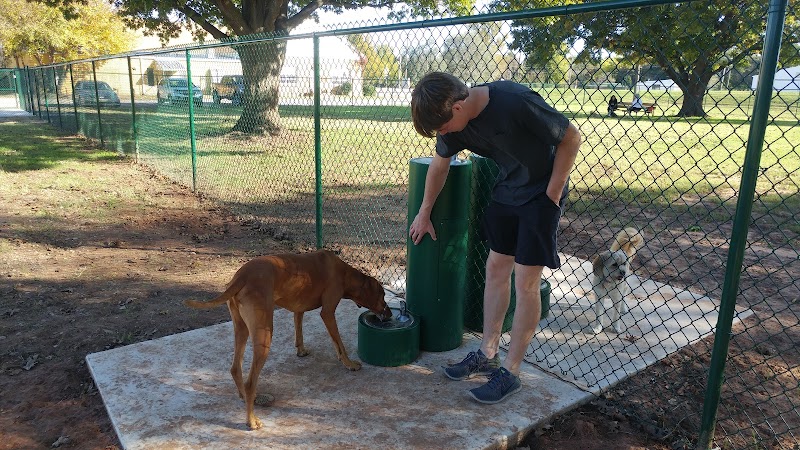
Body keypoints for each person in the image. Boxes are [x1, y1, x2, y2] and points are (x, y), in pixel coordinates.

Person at [409, 72, 581, 404]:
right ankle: (488, 354)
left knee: (526, 283)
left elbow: (571, 138)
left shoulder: (515, 102)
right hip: (507, 189)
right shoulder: (455, 123)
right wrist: (424, 211)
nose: (442, 134)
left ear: (458, 107)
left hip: (542, 196)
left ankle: (511, 372)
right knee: (495, 270)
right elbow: (439, 165)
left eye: (443, 127)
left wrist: (553, 194)